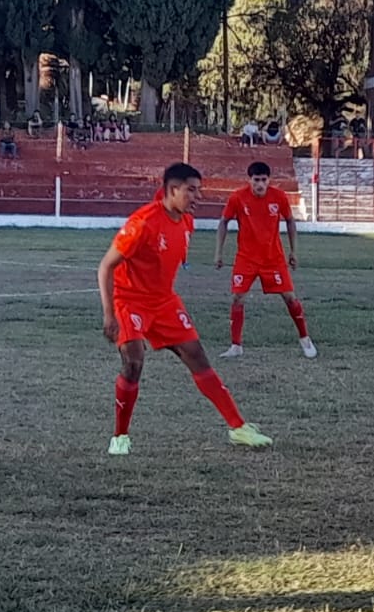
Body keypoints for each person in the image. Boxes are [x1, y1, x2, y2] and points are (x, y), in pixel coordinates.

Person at [96, 162, 274, 456]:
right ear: (172, 190)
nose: (197, 196)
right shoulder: (142, 223)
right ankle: (120, 436)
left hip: (164, 301)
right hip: (129, 301)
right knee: (134, 362)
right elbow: (105, 266)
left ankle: (238, 427)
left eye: (198, 190)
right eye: (191, 190)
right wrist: (108, 313)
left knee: (197, 356)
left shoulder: (186, 221)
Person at [214, 161, 316, 359]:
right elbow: (224, 222)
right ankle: (236, 346)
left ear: (269, 180)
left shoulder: (279, 197)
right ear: (249, 180)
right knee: (237, 297)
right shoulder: (237, 197)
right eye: (256, 180)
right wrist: (218, 253)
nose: (260, 184)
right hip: (246, 258)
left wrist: (294, 251)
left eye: (263, 180)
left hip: (273, 258)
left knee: (289, 297)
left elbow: (290, 221)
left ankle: (305, 339)